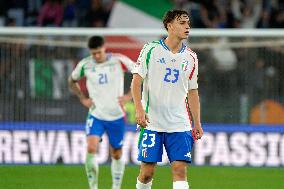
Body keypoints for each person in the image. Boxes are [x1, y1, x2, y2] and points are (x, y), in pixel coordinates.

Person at [131, 10, 204, 189]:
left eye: (188, 23)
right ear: (170, 26)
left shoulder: (191, 57)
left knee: (179, 170)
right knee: (147, 173)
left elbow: (193, 92)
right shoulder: (151, 49)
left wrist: (198, 123)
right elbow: (136, 82)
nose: (187, 27)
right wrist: (139, 110)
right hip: (152, 122)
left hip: (180, 123)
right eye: (182, 23)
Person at [68, 36, 134, 189]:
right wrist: (82, 98)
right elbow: (71, 81)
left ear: (104, 47)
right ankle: (93, 187)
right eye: (93, 53)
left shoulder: (118, 61)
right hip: (96, 114)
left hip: (116, 116)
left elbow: (141, 74)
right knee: (91, 148)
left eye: (99, 52)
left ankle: (116, 187)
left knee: (116, 154)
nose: (96, 56)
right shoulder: (85, 64)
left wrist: (129, 96)